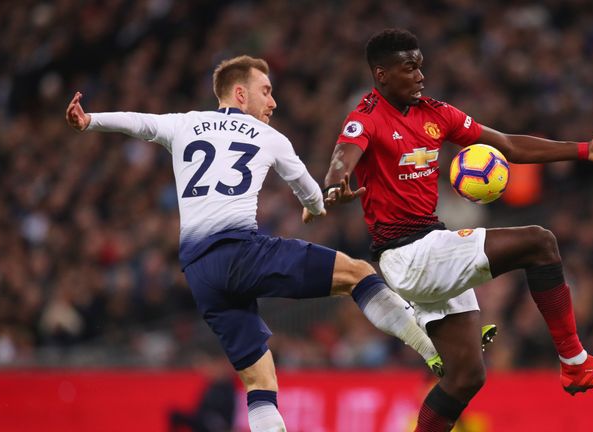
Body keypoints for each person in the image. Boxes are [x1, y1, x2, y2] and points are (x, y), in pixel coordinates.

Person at [65, 55, 443, 432]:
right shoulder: (269, 137)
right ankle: (431, 351)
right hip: (240, 251)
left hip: (199, 271)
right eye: (266, 91)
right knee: (358, 273)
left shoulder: (184, 123)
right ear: (241, 93)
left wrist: (89, 121)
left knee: (260, 385)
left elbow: (138, 122)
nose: (273, 102)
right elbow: (312, 193)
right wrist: (315, 208)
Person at [322, 29, 593, 431]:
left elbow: (508, 144)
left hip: (430, 247)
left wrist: (583, 150)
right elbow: (342, 157)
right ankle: (575, 363)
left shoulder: (436, 113)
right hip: (409, 254)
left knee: (465, 377)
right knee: (540, 243)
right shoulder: (365, 118)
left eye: (421, 65)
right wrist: (336, 184)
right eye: (410, 68)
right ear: (381, 74)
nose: (421, 75)